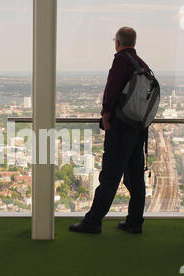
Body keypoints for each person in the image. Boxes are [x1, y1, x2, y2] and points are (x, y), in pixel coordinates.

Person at [69, 27, 149, 235]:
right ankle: (134, 221)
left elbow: (112, 89)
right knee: (135, 177)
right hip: (137, 128)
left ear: (117, 42)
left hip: (121, 128)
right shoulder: (142, 64)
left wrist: (106, 114)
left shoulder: (121, 60)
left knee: (110, 176)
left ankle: (93, 221)